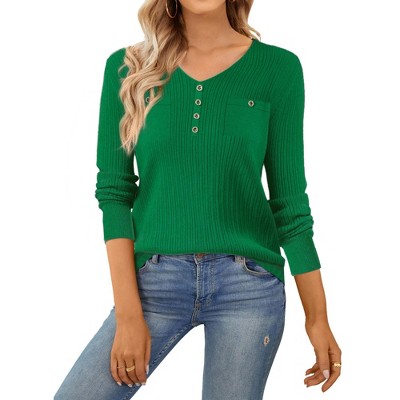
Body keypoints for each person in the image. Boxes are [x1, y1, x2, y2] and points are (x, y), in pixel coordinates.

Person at [54, 1, 342, 399]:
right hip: (153, 281)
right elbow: (115, 194)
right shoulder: (128, 68)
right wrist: (128, 314)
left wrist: (317, 317)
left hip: (248, 286)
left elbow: (290, 208)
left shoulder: (278, 69)